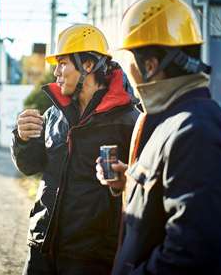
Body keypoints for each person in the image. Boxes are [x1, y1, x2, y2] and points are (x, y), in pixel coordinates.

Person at [98, 0, 221, 275]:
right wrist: (130, 181)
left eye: (131, 61)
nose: (128, 72)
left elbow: (190, 257)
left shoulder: (195, 130)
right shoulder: (174, 119)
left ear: (151, 66)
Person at [12, 24, 137, 275]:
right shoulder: (52, 115)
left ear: (88, 66)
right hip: (42, 244)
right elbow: (31, 166)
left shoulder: (129, 120)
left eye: (63, 63)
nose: (56, 72)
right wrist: (23, 139)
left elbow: (142, 189)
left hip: (92, 255)